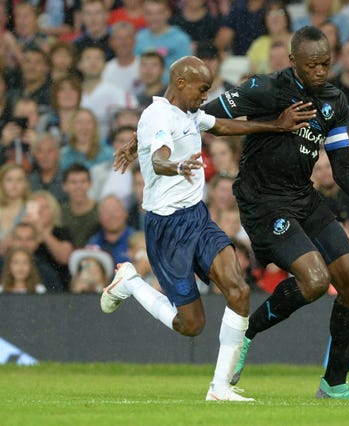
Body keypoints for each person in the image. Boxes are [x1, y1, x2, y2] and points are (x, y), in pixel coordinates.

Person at [194, 27, 349, 399]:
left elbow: (344, 169)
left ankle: (334, 385)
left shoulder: (335, 101)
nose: (321, 71)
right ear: (293, 61)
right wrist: (272, 124)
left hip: (303, 198)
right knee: (315, 281)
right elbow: (204, 118)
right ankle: (248, 332)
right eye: (312, 65)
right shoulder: (266, 89)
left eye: (325, 63)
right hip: (262, 202)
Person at [103, 55, 316, 401]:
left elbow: (220, 126)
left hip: (197, 218)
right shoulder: (157, 115)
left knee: (239, 289)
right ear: (182, 83)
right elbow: (159, 157)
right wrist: (175, 166)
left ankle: (220, 388)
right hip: (167, 228)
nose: (205, 96)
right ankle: (130, 282)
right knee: (192, 325)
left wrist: (276, 126)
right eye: (202, 89)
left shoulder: (188, 113)